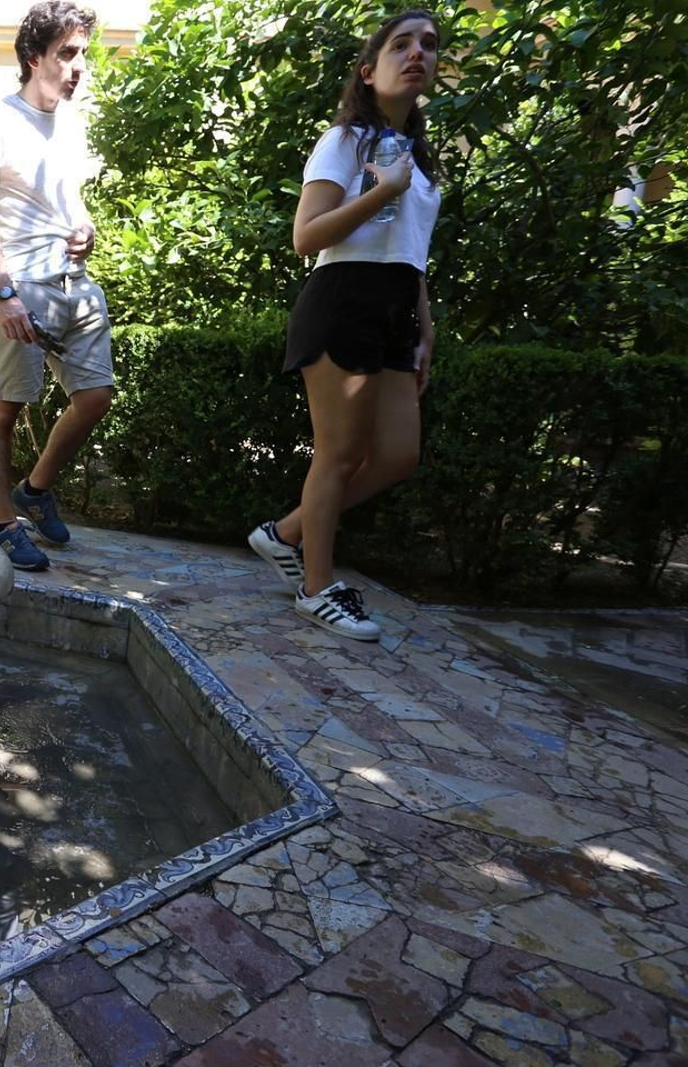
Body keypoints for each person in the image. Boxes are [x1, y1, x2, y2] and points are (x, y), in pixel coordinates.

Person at [248, 10, 441, 641]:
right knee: (340, 454)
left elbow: (411, 249)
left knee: (396, 456)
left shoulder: (417, 154)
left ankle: (284, 534)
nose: (417, 54)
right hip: (344, 297)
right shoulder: (344, 142)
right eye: (401, 45)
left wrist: (425, 323)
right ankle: (316, 586)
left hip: (396, 308)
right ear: (369, 69)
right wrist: (380, 193)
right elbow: (306, 237)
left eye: (429, 46)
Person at [0, 1, 111, 572]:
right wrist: (3, 291)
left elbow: (66, 200)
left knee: (95, 397)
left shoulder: (72, 125)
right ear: (34, 58)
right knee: (4, 408)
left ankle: (36, 488)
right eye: (68, 55)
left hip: (76, 285)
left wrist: (86, 230)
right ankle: (4, 521)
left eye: (84, 56)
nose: (79, 68)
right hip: (22, 284)